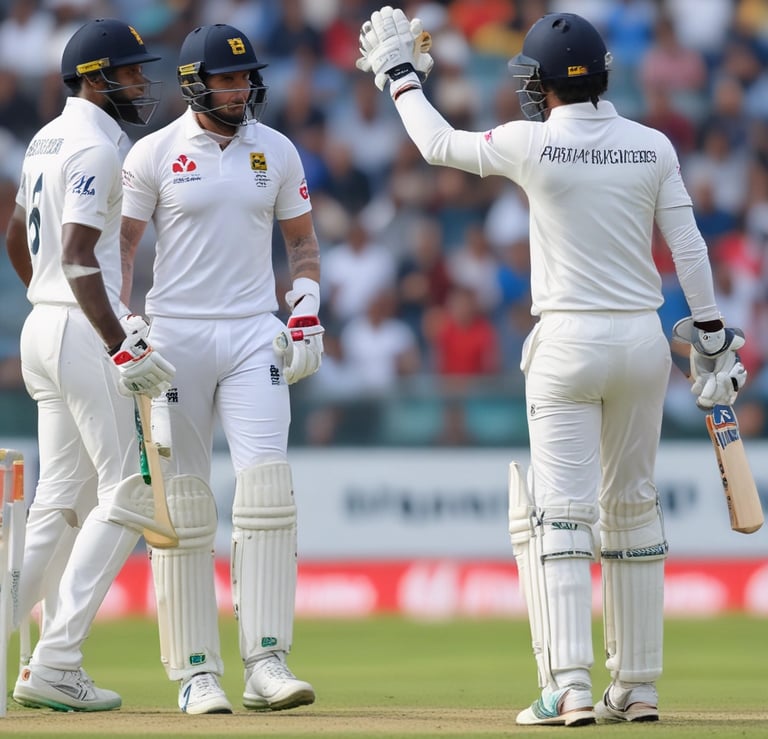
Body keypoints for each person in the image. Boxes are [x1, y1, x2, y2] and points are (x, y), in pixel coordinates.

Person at [356, 7, 747, 727]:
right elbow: (689, 248)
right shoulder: (652, 145)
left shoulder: (531, 141)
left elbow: (437, 144)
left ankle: (568, 687)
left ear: (542, 84)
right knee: (632, 505)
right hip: (642, 343)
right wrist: (714, 336)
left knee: (562, 515)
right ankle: (638, 687)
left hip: (567, 342)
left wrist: (401, 76)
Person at [119, 23, 323, 715]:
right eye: (228, 80)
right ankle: (195, 672)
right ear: (195, 85)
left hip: (251, 333)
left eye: (246, 78)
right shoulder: (154, 152)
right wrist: (125, 324)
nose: (241, 89)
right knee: (183, 502)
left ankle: (267, 662)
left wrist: (306, 305)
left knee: (266, 489)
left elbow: (302, 245)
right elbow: (122, 249)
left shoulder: (277, 149)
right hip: (175, 336)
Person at [4, 18, 174, 711]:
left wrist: (46, 298)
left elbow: (15, 238)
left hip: (44, 325)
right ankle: (57, 660)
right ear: (97, 79)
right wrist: (118, 340)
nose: (141, 83)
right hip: (81, 327)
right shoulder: (98, 147)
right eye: (130, 72)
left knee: (58, 504)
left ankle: (40, 658)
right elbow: (79, 256)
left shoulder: (45, 138)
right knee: (129, 493)